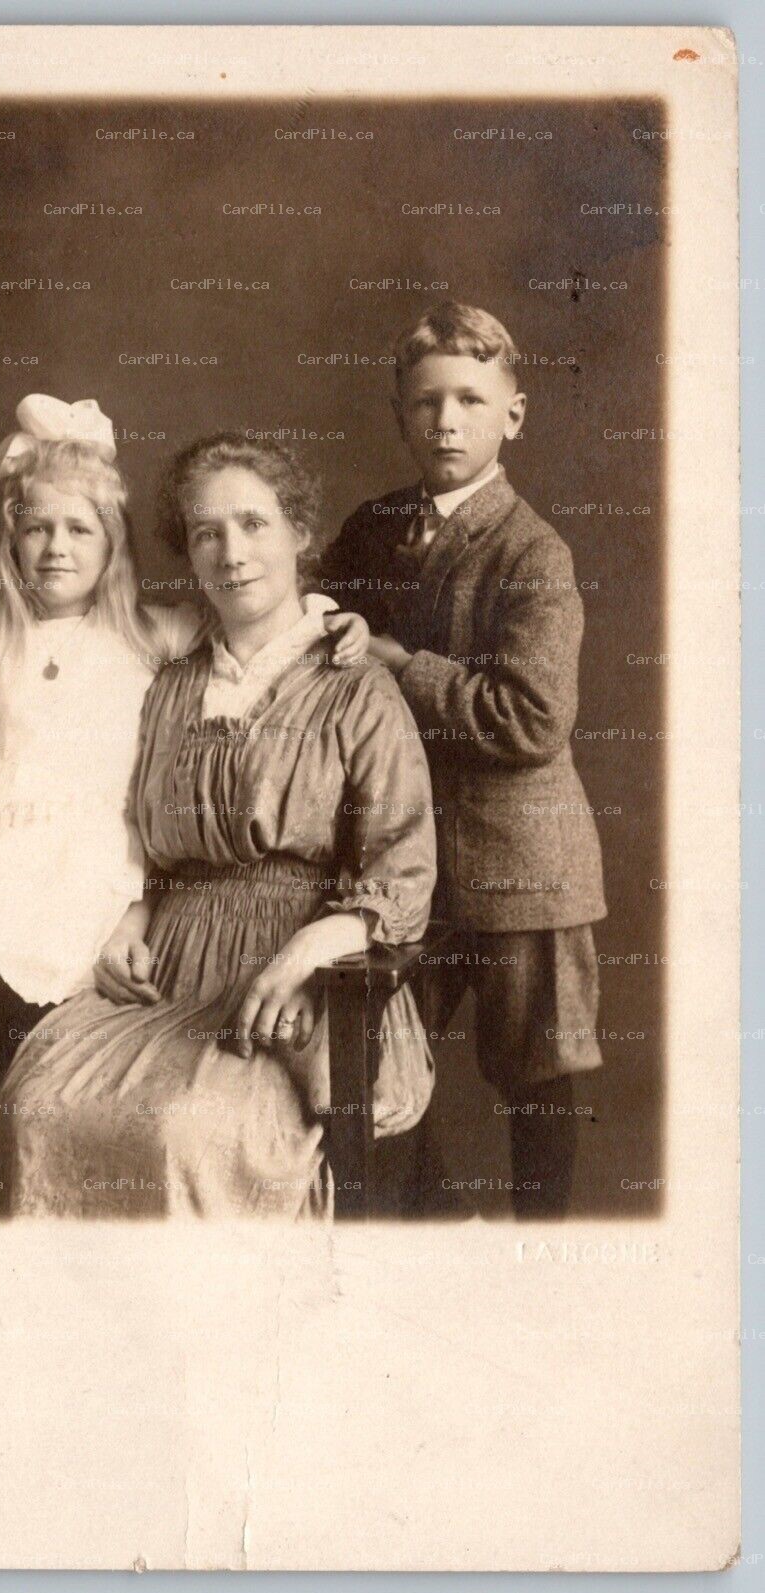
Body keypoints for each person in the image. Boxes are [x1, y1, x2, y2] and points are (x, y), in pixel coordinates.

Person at [0, 398, 368, 1214]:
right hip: (4, 854)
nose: (55, 547)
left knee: (93, 1036)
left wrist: (329, 617)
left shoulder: (147, 632)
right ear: (12, 540)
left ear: (112, 543)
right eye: (37, 529)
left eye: (78, 530)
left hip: (102, 870)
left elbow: (251, 621)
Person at [320, 302, 607, 1218]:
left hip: (526, 864)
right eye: (426, 401)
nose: (446, 421)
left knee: (537, 1076)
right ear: (399, 413)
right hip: (407, 856)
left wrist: (399, 664)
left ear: (511, 415)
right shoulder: (372, 527)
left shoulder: (532, 552)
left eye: (471, 401)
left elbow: (531, 718)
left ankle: (538, 1261)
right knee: (379, 1058)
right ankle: (421, 1238)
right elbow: (310, 616)